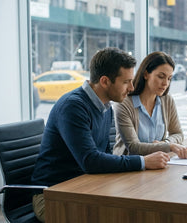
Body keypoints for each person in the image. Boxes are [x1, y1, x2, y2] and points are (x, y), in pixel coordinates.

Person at [30, 48, 171, 222]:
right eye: (126, 82)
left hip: (84, 188)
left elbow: (104, 156)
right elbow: (90, 161)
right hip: (52, 196)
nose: (132, 88)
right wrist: (143, 161)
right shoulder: (73, 107)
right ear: (104, 81)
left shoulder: (106, 109)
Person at [113, 51, 187, 160]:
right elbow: (134, 147)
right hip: (129, 167)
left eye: (169, 78)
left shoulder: (167, 100)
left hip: (157, 163)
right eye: (161, 76)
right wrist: (168, 146)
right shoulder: (124, 104)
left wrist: (166, 142)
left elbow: (178, 133)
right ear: (146, 74)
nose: (165, 83)